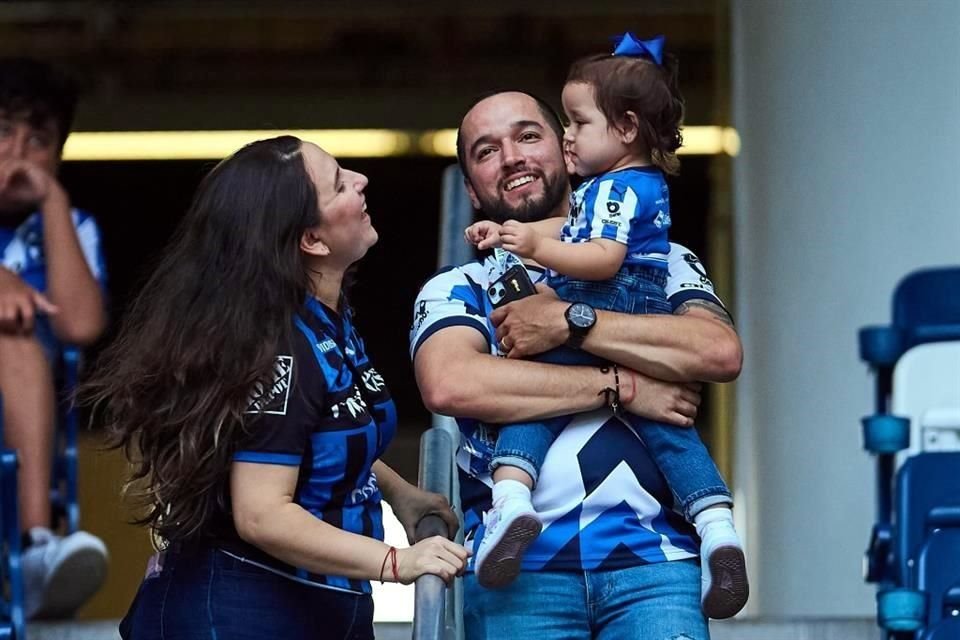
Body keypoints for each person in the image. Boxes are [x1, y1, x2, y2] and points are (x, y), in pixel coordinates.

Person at [79, 136, 469, 639]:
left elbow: (319, 435)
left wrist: (401, 496)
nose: (362, 180)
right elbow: (262, 515)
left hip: (316, 603)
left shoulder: (320, 317)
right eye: (339, 184)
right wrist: (398, 562)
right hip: (241, 611)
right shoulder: (279, 348)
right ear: (313, 241)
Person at [411, 90, 744, 639]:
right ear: (471, 191)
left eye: (527, 136)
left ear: (568, 151)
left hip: (657, 566)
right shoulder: (457, 287)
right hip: (517, 575)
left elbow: (716, 351)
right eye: (487, 151)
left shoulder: (662, 260)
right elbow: (452, 383)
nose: (512, 156)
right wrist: (624, 385)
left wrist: (570, 321)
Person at [0, 57, 109, 619]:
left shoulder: (72, 225)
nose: (17, 152)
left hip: (16, 420)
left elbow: (82, 326)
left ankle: (38, 546)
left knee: (13, 338)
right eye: (2, 130)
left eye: (38, 139)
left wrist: (53, 202)